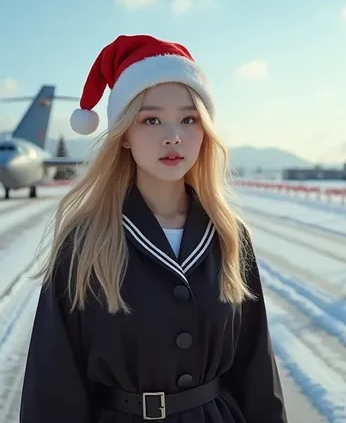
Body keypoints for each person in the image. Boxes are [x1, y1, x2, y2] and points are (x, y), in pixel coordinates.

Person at [20, 34, 287, 422]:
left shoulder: (229, 235)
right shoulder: (86, 241)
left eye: (188, 119)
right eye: (151, 119)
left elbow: (257, 368)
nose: (173, 135)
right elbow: (53, 385)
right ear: (124, 134)